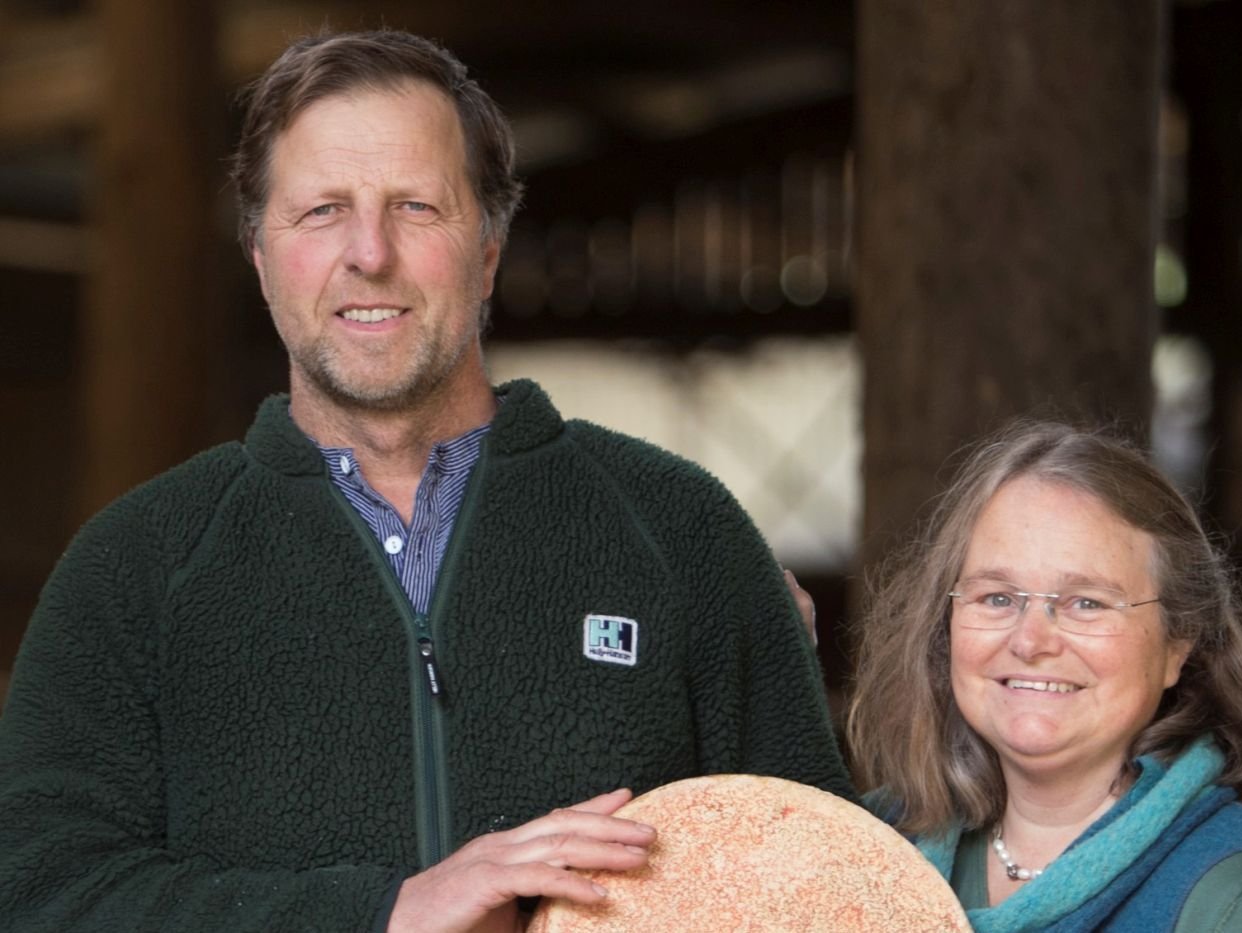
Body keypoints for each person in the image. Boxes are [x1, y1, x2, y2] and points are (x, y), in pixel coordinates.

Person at [0, 30, 851, 933]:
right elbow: (37, 895)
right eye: (322, 209)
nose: (370, 253)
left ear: (488, 247)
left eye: (415, 206)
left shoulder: (685, 530)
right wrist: (386, 911)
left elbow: (829, 890)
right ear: (259, 254)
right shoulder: (134, 566)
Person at [846, 420, 1242, 932]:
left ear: (1178, 643)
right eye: (998, 598)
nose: (1030, 640)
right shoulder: (864, 853)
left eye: (1086, 603)